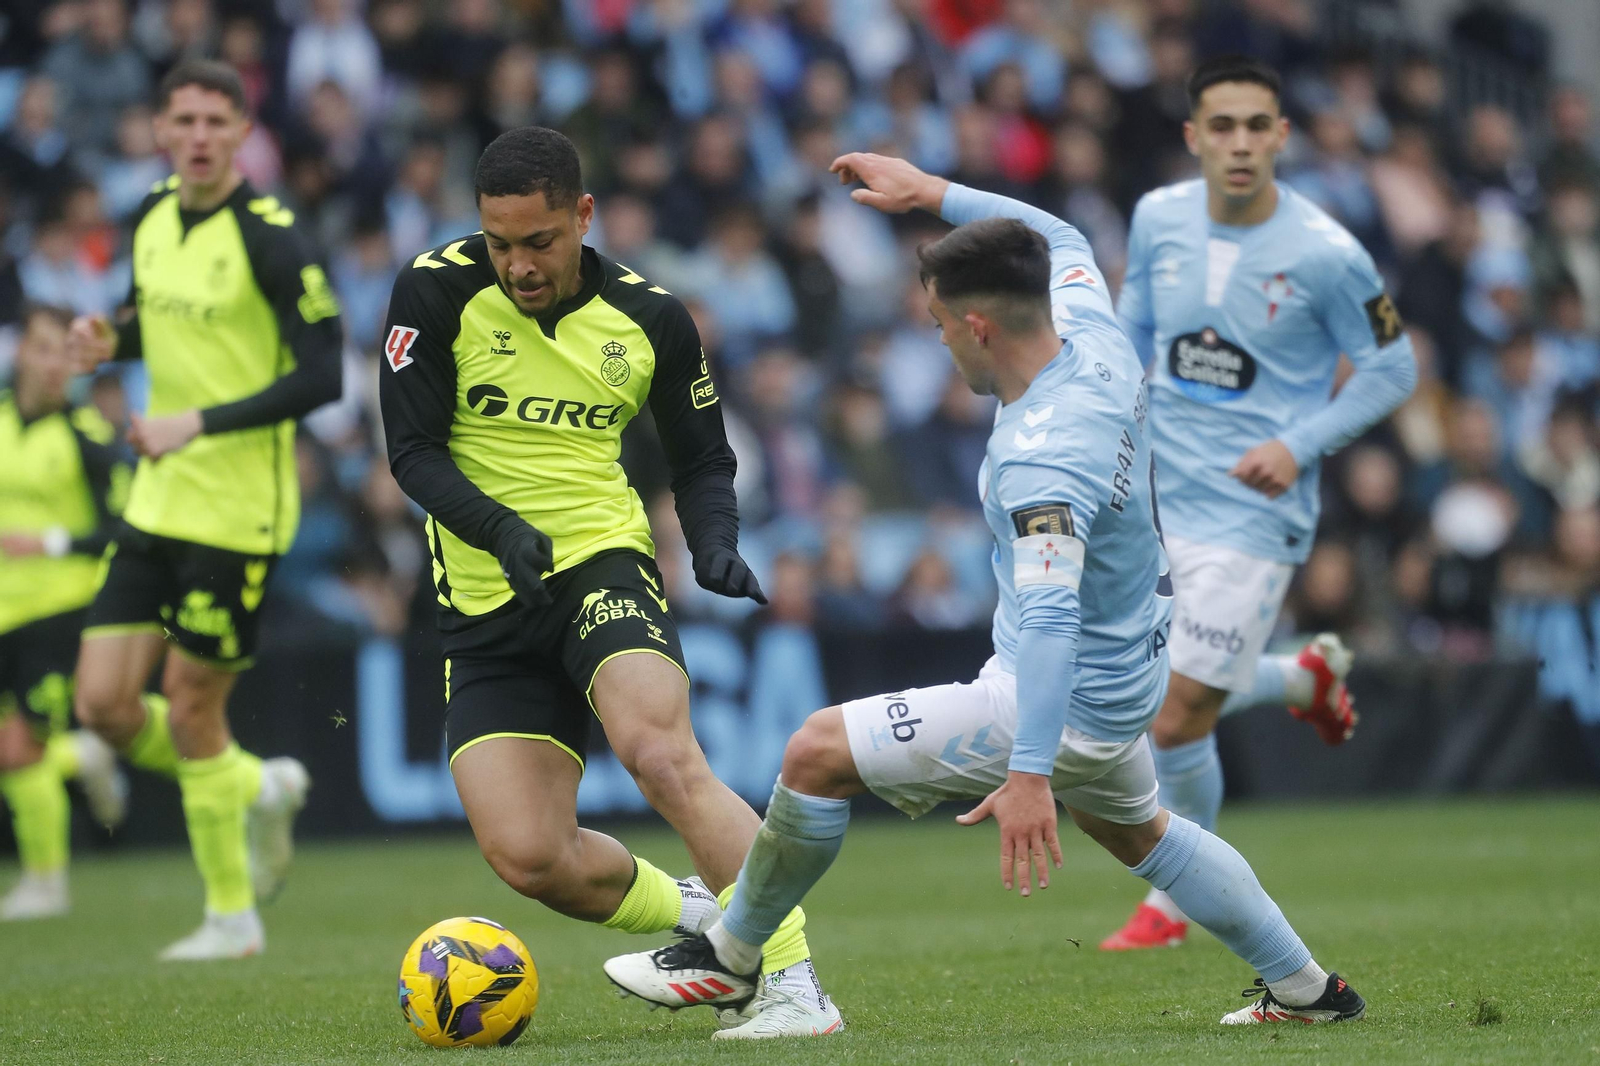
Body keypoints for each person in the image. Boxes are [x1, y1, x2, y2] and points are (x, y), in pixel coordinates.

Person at [602, 151, 1368, 1028]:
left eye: (936, 324)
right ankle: (1310, 990)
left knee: (815, 754)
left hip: (1064, 692)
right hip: (1129, 660)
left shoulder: (1042, 455)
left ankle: (736, 958)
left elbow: (1047, 621)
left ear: (977, 329)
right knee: (1141, 832)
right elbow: (1063, 233)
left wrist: (1032, 773)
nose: (933, 339)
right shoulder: (1089, 329)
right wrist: (930, 193)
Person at [377, 126, 839, 1040]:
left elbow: (703, 459)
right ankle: (708, 918)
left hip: (600, 562)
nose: (518, 265)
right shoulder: (432, 291)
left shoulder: (651, 316)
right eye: (499, 242)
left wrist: (712, 540)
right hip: (482, 603)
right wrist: (501, 530)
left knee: (661, 753)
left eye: (539, 241)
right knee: (528, 856)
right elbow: (413, 453)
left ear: (583, 217)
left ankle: (793, 982)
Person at [1102, 56, 1417, 951]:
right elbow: (1134, 330)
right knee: (1150, 695)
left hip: (1253, 510)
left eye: (1256, 126)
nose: (1239, 143)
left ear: (1282, 136)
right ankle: (1297, 677)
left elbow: (1395, 368)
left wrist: (1298, 444)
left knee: (1171, 715)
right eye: (1222, 126)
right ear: (1195, 136)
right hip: (1157, 489)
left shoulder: (1327, 252)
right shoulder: (1159, 217)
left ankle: (1173, 901)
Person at [65, 60, 340, 960]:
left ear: (240, 134)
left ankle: (233, 916)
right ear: (158, 130)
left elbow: (322, 374)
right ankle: (257, 783)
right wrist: (109, 340)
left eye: (215, 121)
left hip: (236, 512)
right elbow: (154, 322)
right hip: (158, 497)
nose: (196, 136)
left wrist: (199, 421)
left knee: (188, 710)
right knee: (102, 704)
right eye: (181, 119)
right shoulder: (148, 213)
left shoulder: (272, 236)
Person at [0, 303, 130, 920]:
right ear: (21, 351)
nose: (54, 365)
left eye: (65, 353)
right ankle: (86, 755)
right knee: (13, 748)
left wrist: (49, 541)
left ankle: (45, 884)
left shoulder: (88, 435)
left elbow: (123, 528)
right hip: (3, 609)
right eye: (43, 349)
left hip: (59, 608)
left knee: (20, 746)